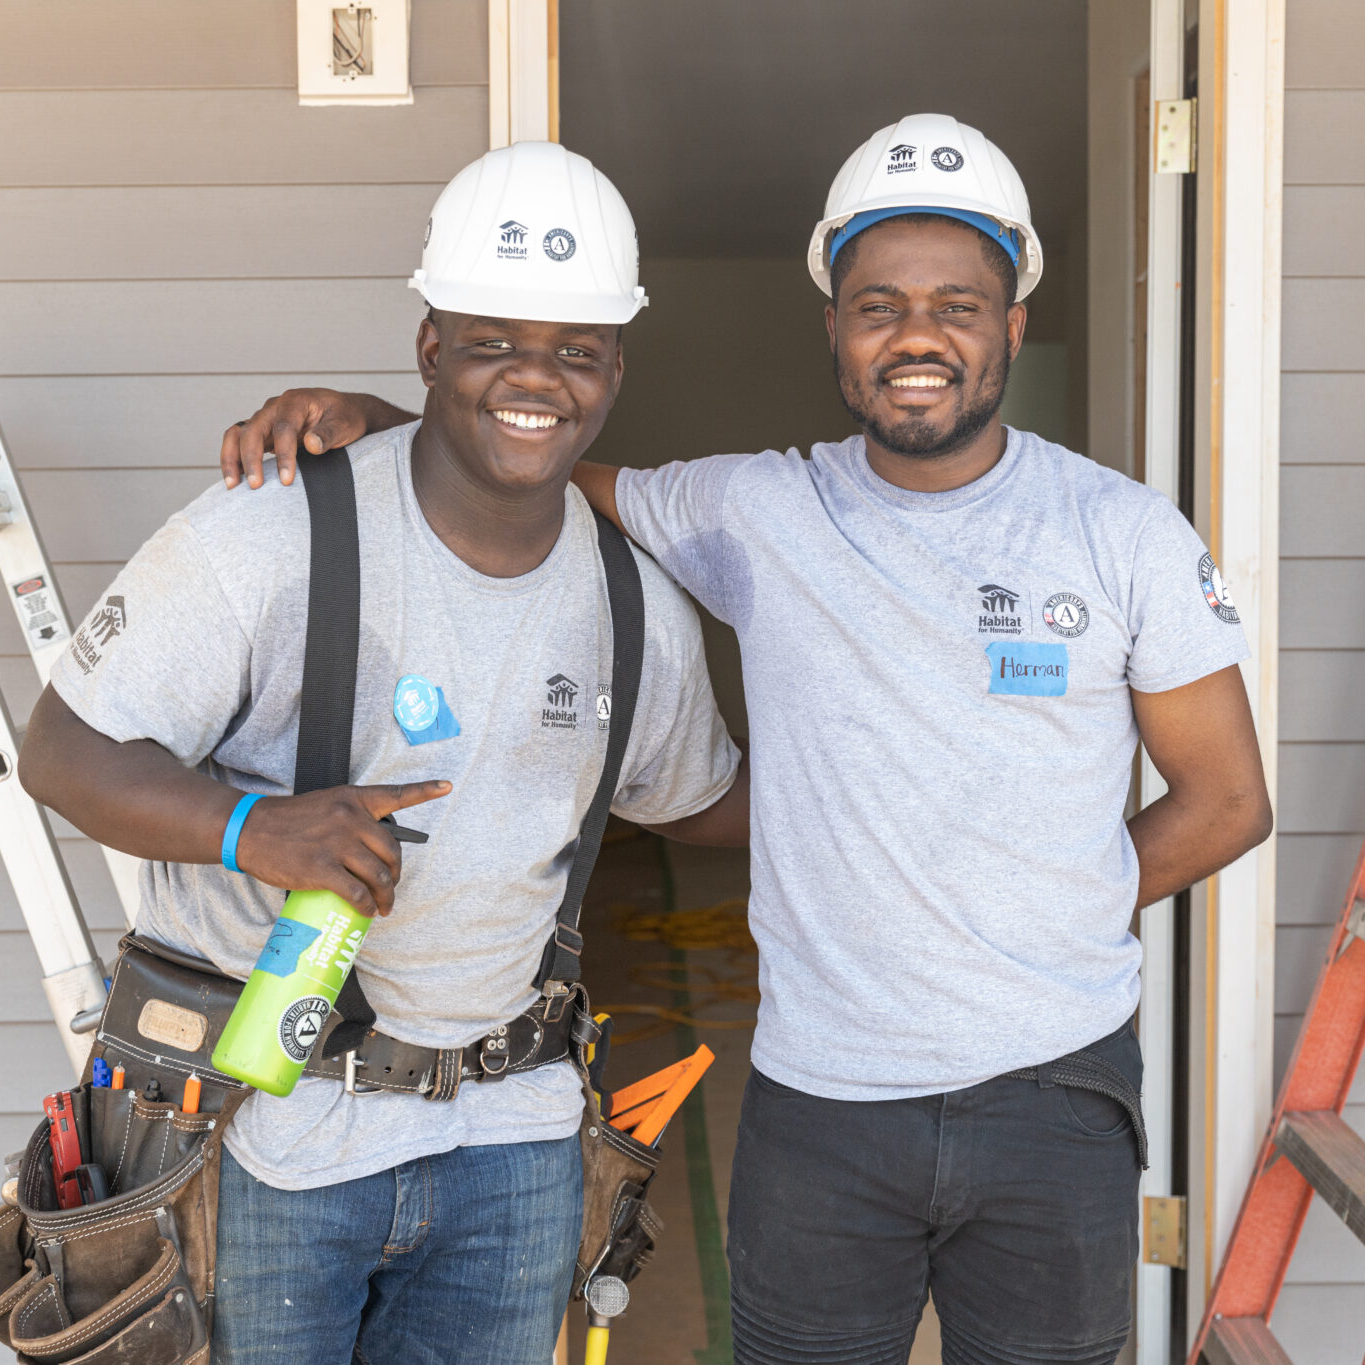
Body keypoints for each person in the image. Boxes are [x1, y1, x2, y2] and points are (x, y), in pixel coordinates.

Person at [217, 113, 1272, 1365]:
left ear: (1010, 325)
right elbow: (533, 463)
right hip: (821, 1102)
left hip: (1050, 1091)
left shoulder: (1123, 534)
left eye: (958, 305)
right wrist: (379, 415)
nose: (917, 336)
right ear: (833, 325)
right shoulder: (756, 507)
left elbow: (1225, 802)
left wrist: (1049, 903)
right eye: (878, 305)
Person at [19, 141, 745, 1365]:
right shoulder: (270, 531)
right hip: (271, 1137)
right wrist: (251, 827)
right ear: (428, 347)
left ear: (614, 367)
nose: (536, 379)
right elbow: (61, 752)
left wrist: (927, 759)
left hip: (512, 1144)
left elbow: (707, 803)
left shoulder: (631, 603)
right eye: (492, 341)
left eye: (575, 349)